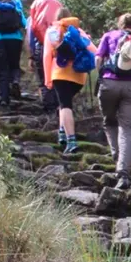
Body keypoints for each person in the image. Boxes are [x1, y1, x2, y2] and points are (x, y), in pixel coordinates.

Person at [95, 13, 131, 190]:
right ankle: (123, 174)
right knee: (127, 128)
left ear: (120, 25)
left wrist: (101, 77)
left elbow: (98, 58)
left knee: (109, 120)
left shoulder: (108, 36)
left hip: (108, 84)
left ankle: (116, 154)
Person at [43, 8, 97, 156]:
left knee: (65, 105)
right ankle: (62, 132)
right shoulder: (78, 31)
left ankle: (71, 140)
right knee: (64, 103)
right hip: (79, 76)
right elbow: (94, 51)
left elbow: (47, 56)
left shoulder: (52, 31)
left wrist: (47, 78)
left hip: (60, 73)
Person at [0, 0, 27, 106]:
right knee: (15, 65)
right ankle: (15, 81)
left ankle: (4, 97)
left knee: (2, 69)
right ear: (11, 0)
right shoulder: (17, 11)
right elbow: (26, 24)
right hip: (15, 40)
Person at [26, 0, 63, 112]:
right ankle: (60, 107)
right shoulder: (60, 13)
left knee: (44, 80)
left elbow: (30, 38)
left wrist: (31, 56)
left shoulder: (33, 17)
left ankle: (49, 110)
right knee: (58, 78)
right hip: (59, 49)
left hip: (41, 48)